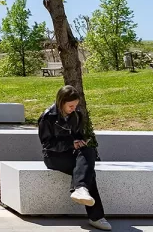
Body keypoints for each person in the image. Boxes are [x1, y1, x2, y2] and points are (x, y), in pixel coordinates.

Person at [38, 85, 109, 231]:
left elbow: (77, 136)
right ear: (61, 102)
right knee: (88, 172)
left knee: (88, 152)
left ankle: (81, 189)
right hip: (53, 157)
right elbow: (47, 144)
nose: (73, 109)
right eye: (70, 106)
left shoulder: (76, 116)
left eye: (75, 105)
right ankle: (96, 216)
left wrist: (81, 141)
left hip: (72, 154)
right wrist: (71, 144)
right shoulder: (47, 117)